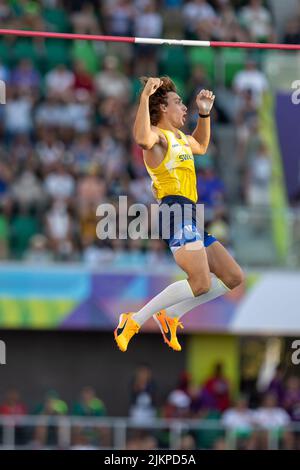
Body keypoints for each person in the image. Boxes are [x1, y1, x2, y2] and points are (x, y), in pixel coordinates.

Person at [114, 76, 244, 352]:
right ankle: (133, 321)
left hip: (191, 214)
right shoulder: (158, 138)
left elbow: (202, 145)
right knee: (200, 282)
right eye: (178, 102)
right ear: (162, 108)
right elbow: (140, 137)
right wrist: (144, 98)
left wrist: (205, 112)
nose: (185, 107)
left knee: (233, 277)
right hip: (174, 212)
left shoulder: (182, 139)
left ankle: (172, 316)